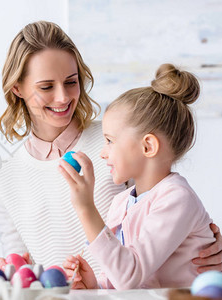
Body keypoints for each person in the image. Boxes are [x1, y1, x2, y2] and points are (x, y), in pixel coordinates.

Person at [0, 21, 222, 274]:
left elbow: (172, 212)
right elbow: (21, 266)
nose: (63, 97)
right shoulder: (3, 177)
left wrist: (210, 244)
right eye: (46, 87)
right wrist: (13, 270)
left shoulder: (121, 142)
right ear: (17, 88)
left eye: (71, 81)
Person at [60, 63, 216, 289]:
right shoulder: (121, 202)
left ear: (148, 146)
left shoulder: (177, 199)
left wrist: (86, 207)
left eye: (110, 140)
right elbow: (122, 278)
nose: (103, 152)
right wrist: (96, 284)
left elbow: (130, 274)